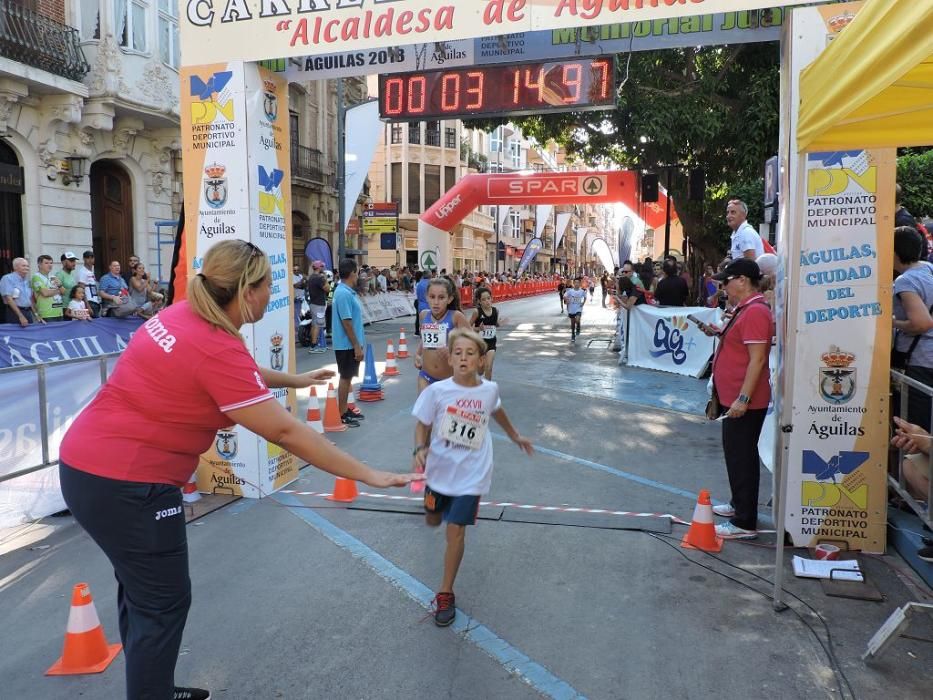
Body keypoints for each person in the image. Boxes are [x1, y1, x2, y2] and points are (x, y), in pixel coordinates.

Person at [58, 240, 421, 700]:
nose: (273, 294)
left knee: (142, 594)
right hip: (130, 484)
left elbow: (238, 373)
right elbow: (287, 432)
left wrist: (296, 379)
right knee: (162, 604)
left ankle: (153, 686)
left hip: (88, 468)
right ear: (246, 290)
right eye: (268, 285)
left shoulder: (183, 315)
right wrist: (367, 473)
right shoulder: (213, 345)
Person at [411, 328, 534, 626]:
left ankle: (445, 592)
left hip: (472, 475)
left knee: (456, 530)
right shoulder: (436, 392)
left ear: (481, 361)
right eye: (458, 353)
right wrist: (420, 448)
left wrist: (515, 435)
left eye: (470, 353)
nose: (463, 358)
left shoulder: (488, 390)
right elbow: (422, 423)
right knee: (432, 517)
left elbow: (497, 411)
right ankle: (433, 509)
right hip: (439, 471)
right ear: (450, 358)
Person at [705, 259, 773, 539]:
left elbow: (757, 360)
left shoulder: (755, 311)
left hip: (743, 400)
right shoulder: (745, 309)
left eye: (726, 281)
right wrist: (718, 332)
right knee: (735, 455)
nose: (723, 286)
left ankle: (745, 522)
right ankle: (738, 505)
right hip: (732, 396)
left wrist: (743, 398)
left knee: (742, 457)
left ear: (742, 280)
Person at [892, 226, 933, 430]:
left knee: (915, 428)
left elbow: (921, 323)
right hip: (928, 359)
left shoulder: (905, 281)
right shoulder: (927, 269)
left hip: (919, 362)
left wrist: (893, 323)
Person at [414, 277, 470, 393]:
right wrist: (418, 355)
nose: (436, 302)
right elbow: (425, 339)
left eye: (441, 298)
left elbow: (473, 344)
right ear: (426, 297)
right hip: (426, 377)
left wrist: (453, 349)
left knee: (447, 411)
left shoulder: (456, 317)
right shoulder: (423, 315)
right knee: (426, 410)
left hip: (450, 380)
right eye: (432, 297)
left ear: (449, 299)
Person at [332, 258, 366, 427]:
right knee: (345, 378)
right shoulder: (344, 293)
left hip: (348, 344)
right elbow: (347, 322)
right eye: (357, 271)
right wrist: (356, 346)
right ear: (353, 272)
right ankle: (342, 413)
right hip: (346, 344)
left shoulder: (345, 291)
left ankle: (345, 409)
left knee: (348, 376)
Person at [471, 286, 501, 380]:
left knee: (489, 367)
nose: (487, 301)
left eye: (488, 298)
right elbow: (467, 327)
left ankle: (487, 390)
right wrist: (478, 329)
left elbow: (494, 325)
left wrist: (498, 324)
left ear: (491, 298)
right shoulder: (477, 312)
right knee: (480, 370)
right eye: (484, 299)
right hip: (479, 344)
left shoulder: (496, 311)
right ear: (479, 301)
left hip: (491, 343)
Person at [1, 257, 40, 325]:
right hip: (14, 313)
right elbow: (9, 299)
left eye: (27, 266)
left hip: (28, 312)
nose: (27, 268)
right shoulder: (7, 278)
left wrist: (36, 315)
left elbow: (30, 300)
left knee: (29, 334)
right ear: (15, 267)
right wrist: (20, 316)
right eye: (23, 266)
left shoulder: (27, 281)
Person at [305, 260, 330, 353]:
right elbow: (328, 289)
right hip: (319, 304)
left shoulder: (311, 277)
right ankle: (313, 346)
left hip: (313, 303)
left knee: (314, 324)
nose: (323, 268)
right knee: (317, 325)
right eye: (322, 267)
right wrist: (325, 279)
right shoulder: (320, 278)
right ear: (319, 268)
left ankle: (315, 344)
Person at [32, 254, 65, 322]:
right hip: (47, 314)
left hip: (59, 312)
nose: (50, 265)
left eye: (51, 263)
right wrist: (59, 290)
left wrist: (60, 286)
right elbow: (45, 293)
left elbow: (64, 292)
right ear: (39, 265)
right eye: (46, 263)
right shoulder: (36, 277)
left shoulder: (53, 276)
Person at [77, 250, 102, 317]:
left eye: (92, 257)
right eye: (88, 258)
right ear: (84, 259)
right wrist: (87, 305)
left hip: (95, 302)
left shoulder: (90, 272)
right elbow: (81, 289)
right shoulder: (82, 271)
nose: (90, 260)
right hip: (89, 302)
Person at [563, 277, 587, 342]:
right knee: (573, 323)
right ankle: (573, 334)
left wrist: (583, 303)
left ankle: (578, 326)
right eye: (575, 283)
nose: (576, 284)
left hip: (578, 308)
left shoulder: (582, 291)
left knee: (577, 319)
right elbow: (564, 296)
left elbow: (585, 297)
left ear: (580, 284)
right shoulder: (570, 291)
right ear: (573, 283)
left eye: (578, 283)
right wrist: (566, 300)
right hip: (571, 309)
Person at [414, 269, 433, 335]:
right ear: (430, 275)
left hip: (420, 305)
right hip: (428, 305)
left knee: (421, 322)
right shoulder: (431, 283)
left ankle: (422, 334)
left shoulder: (419, 283)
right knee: (430, 322)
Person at [292, 264, 306, 331]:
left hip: (302, 298)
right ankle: (298, 330)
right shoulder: (292, 276)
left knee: (302, 314)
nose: (296, 271)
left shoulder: (300, 276)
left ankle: (301, 328)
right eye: (294, 270)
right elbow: (296, 285)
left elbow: (303, 285)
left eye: (297, 270)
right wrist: (303, 280)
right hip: (296, 299)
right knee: (297, 316)